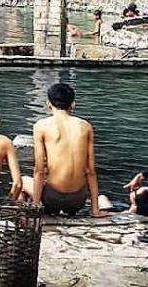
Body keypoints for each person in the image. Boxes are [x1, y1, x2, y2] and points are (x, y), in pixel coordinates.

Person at [20, 82, 103, 217]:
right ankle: (90, 210)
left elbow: (39, 170)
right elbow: (91, 171)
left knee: (22, 181)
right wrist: (95, 209)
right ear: (73, 104)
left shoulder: (41, 126)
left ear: (48, 104)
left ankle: (29, 220)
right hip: (78, 200)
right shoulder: (85, 126)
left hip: (53, 199)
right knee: (102, 198)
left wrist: (36, 204)